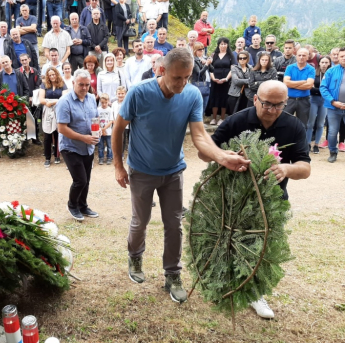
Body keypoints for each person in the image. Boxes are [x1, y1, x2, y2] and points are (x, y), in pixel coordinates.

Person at [112, 48, 250, 303]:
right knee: (140, 221)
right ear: (161, 70)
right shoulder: (139, 93)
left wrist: (221, 156)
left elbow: (199, 134)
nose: (183, 83)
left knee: (174, 225)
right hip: (141, 170)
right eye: (178, 78)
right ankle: (135, 256)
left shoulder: (191, 95)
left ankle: (172, 274)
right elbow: (118, 128)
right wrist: (118, 166)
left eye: (187, 77)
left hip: (173, 172)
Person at [204, 80, 311, 318]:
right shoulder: (237, 121)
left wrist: (286, 169)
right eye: (267, 104)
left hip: (270, 201)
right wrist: (223, 155)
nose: (272, 110)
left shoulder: (293, 126)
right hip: (233, 198)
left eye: (279, 105)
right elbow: (205, 151)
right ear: (255, 99)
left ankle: (254, 292)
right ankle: (221, 282)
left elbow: (305, 167)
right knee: (228, 240)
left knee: (261, 247)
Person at [56, 69, 100, 221]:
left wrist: (97, 132)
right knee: (80, 180)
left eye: (87, 85)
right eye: (81, 84)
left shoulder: (92, 98)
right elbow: (61, 128)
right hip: (71, 147)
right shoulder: (64, 102)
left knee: (86, 179)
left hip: (88, 145)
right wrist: (84, 138)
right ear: (73, 82)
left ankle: (83, 205)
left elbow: (95, 119)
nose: (84, 88)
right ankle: (72, 205)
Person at [319, 47, 345, 163]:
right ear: (337, 58)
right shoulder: (331, 71)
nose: (344, 58)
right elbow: (323, 88)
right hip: (333, 107)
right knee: (333, 131)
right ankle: (333, 152)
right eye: (342, 56)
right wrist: (333, 102)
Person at [39, 67, 68, 167]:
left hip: (58, 110)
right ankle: (47, 157)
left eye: (53, 74)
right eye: (50, 75)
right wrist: (48, 102)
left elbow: (64, 97)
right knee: (47, 135)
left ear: (57, 74)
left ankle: (57, 155)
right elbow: (41, 99)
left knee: (57, 133)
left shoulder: (62, 84)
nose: (52, 76)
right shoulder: (44, 85)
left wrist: (53, 101)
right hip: (47, 110)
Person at [283, 47, 315, 129]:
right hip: (290, 100)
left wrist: (292, 84)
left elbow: (309, 85)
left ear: (308, 57)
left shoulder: (311, 69)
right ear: (296, 56)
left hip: (304, 100)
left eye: (304, 55)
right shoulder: (290, 67)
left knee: (302, 125)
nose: (301, 57)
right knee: (284, 122)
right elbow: (286, 83)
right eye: (299, 55)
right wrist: (303, 82)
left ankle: (300, 142)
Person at [307, 55, 331, 154]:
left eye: (326, 62)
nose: (324, 65)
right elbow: (311, 89)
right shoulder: (314, 73)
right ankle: (308, 143)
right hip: (313, 100)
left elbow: (332, 90)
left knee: (321, 124)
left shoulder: (331, 74)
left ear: (329, 64)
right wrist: (323, 91)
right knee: (310, 123)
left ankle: (316, 144)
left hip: (325, 101)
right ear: (319, 63)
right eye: (322, 62)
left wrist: (319, 91)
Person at [209, 37, 235, 125]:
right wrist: (213, 78)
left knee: (224, 99)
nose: (223, 45)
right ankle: (214, 118)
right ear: (218, 45)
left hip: (226, 80)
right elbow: (209, 68)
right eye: (221, 44)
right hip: (215, 80)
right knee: (214, 98)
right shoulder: (214, 55)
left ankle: (222, 118)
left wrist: (226, 79)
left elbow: (233, 69)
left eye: (225, 44)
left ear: (227, 45)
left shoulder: (230, 56)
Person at [227, 50, 252, 114]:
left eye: (244, 58)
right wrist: (248, 80)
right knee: (234, 113)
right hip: (235, 94)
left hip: (247, 95)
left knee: (244, 114)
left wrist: (241, 80)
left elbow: (253, 80)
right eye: (240, 58)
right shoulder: (234, 68)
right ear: (238, 59)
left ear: (247, 59)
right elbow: (236, 81)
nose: (242, 60)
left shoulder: (251, 68)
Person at [191, 42, 212, 114]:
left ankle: (201, 121)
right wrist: (206, 64)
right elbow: (199, 73)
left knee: (204, 104)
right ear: (195, 50)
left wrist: (208, 62)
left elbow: (212, 70)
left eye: (203, 49)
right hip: (198, 84)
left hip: (207, 84)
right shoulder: (194, 60)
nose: (202, 51)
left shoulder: (205, 58)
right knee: (197, 105)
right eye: (199, 49)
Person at [97, 93, 114, 164]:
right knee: (100, 146)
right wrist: (101, 129)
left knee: (109, 146)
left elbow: (111, 121)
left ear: (108, 101)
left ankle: (109, 157)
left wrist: (104, 129)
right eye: (102, 103)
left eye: (106, 103)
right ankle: (101, 158)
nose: (104, 104)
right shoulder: (98, 109)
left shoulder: (110, 110)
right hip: (100, 131)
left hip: (108, 131)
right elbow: (97, 120)